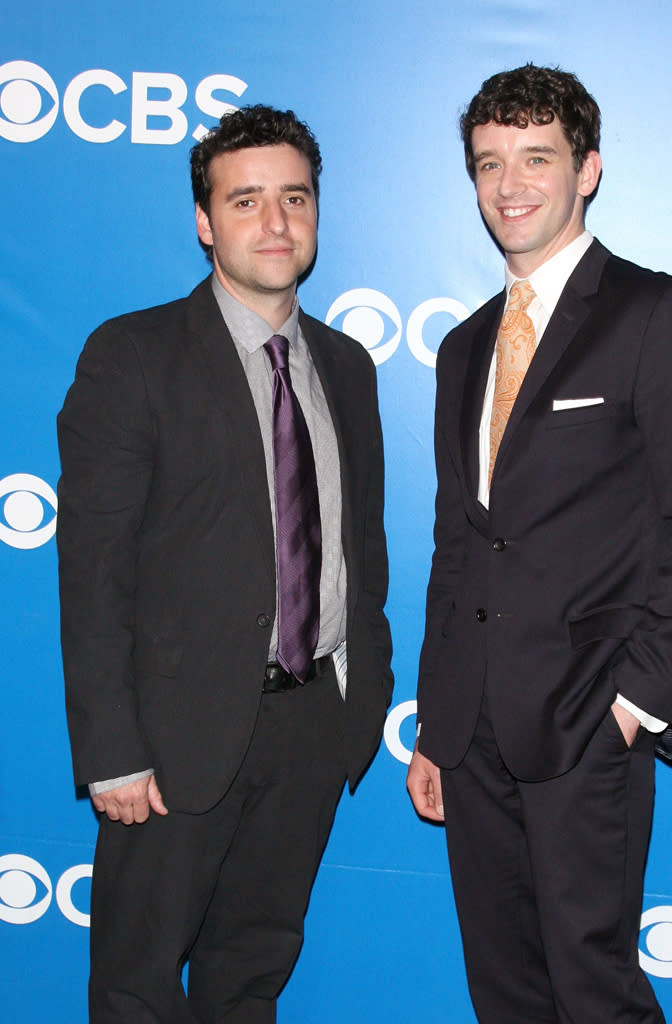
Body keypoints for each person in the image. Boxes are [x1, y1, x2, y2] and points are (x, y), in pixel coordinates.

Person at [407, 65, 672, 1023]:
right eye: (489, 163)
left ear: (587, 170)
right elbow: (459, 541)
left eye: (537, 158)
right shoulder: (465, 345)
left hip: (588, 720)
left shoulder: (652, 314)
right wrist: (438, 720)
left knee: (594, 991)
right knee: (505, 991)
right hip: (472, 731)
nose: (510, 184)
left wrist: (637, 703)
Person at [57, 103, 393, 1023]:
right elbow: (93, 573)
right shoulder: (133, 356)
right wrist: (112, 751)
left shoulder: (350, 366)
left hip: (310, 731)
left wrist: (359, 700)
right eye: (245, 201)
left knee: (251, 977)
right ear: (206, 223)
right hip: (171, 743)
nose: (275, 222)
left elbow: (362, 546)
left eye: (295, 197)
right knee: (138, 984)